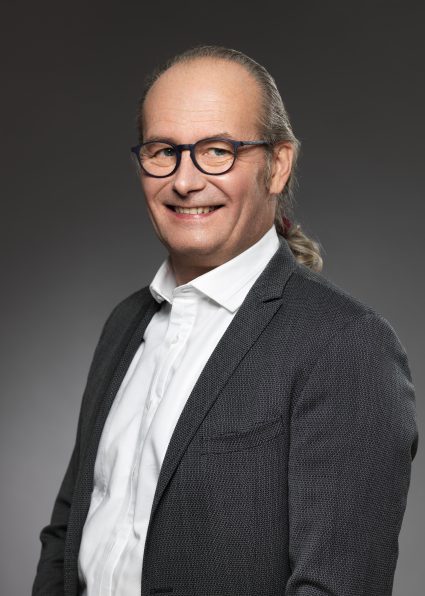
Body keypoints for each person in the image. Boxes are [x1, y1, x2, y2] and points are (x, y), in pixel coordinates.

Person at [33, 45, 418, 596]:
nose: (185, 181)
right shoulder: (124, 324)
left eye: (217, 151)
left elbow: (337, 585)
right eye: (164, 151)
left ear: (278, 165)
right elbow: (67, 533)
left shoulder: (346, 345)